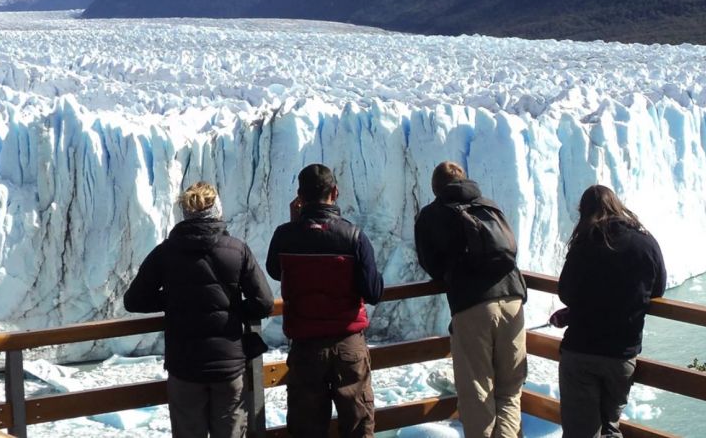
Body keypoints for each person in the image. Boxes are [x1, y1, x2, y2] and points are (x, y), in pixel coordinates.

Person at [124, 181, 274, 438]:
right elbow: (264, 302)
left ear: (185, 213)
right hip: (228, 366)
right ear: (216, 209)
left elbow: (134, 300)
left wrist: (172, 300)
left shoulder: (165, 253)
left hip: (185, 367)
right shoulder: (237, 250)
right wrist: (233, 307)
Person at [266, 163, 385, 438]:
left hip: (306, 347)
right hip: (348, 345)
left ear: (300, 196)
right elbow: (373, 292)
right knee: (357, 427)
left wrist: (297, 223)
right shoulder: (353, 236)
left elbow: (274, 270)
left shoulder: (285, 236)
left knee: (306, 429)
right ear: (335, 192)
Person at [414, 161, 528, 438]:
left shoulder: (432, 215)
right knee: (510, 389)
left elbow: (431, 265)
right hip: (512, 298)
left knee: (477, 392)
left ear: (435, 187)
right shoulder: (489, 205)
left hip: (473, 305)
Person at [556, 185, 667, 438]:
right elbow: (658, 288)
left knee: (580, 433)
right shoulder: (645, 241)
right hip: (621, 354)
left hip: (581, 351)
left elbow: (566, 291)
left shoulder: (584, 242)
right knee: (610, 428)